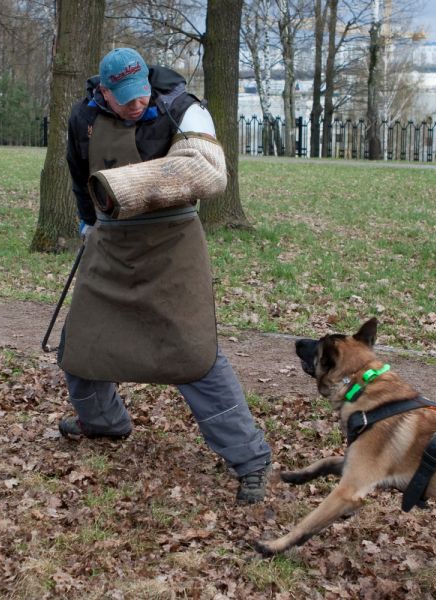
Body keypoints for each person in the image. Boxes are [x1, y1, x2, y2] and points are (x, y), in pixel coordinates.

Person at [56, 48, 272, 504]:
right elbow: (78, 175)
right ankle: (103, 422)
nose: (137, 104)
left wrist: (124, 185)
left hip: (171, 246)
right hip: (111, 243)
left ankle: (251, 458)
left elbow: (206, 171)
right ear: (104, 93)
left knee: (193, 355)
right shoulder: (82, 118)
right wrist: (87, 222)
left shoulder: (182, 108)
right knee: (81, 343)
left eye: (142, 96)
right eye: (125, 99)